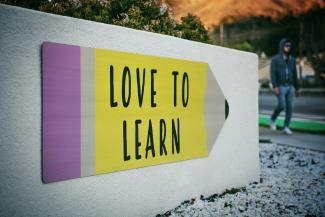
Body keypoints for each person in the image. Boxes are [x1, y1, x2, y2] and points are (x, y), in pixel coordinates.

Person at [270, 38, 300, 135]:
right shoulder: (275, 59)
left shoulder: (292, 59)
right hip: (280, 86)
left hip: (291, 86)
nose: (288, 47)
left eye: (289, 46)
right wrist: (275, 86)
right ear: (282, 46)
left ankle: (286, 127)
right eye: (286, 45)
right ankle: (273, 119)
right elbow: (273, 73)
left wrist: (297, 88)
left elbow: (295, 74)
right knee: (282, 105)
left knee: (290, 107)